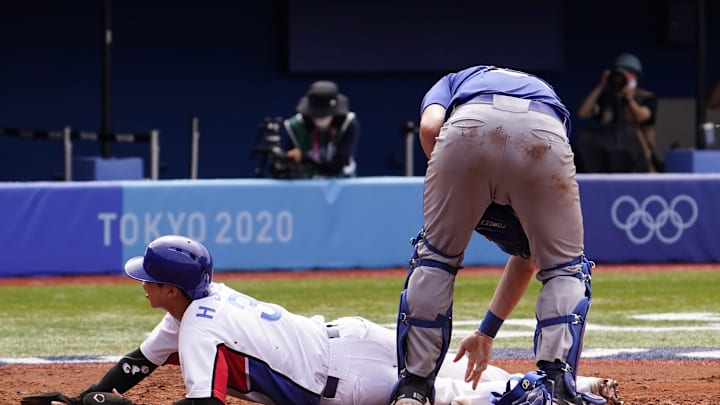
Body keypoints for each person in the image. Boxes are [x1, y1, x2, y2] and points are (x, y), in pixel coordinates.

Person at [29, 235, 620, 405]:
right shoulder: (200, 305)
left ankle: (552, 397)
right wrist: (90, 396)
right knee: (436, 382)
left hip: (345, 382)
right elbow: (142, 361)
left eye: (146, 280)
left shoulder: (201, 325)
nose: (142, 286)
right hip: (345, 338)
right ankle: (577, 384)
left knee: (445, 400)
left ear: (167, 287)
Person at [388, 66, 595, 405]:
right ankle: (556, 387)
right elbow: (530, 259)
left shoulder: (452, 82)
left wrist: (457, 185)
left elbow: (429, 127)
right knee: (563, 269)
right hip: (543, 133)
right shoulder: (542, 88)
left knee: (436, 259)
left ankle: (414, 389)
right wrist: (487, 330)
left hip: (467, 129)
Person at [575, 52, 661, 172]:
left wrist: (629, 97)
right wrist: (601, 85)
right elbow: (583, 113)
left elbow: (642, 117)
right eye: (620, 74)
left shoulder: (646, 98)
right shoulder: (607, 99)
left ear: (636, 77)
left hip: (637, 159)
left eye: (628, 74)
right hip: (609, 159)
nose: (623, 78)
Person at [283, 80, 360, 178]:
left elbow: (339, 164)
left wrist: (307, 159)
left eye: (326, 114)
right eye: (316, 115)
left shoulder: (348, 123)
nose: (321, 119)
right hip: (307, 185)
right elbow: (287, 161)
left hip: (342, 182)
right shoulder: (295, 126)